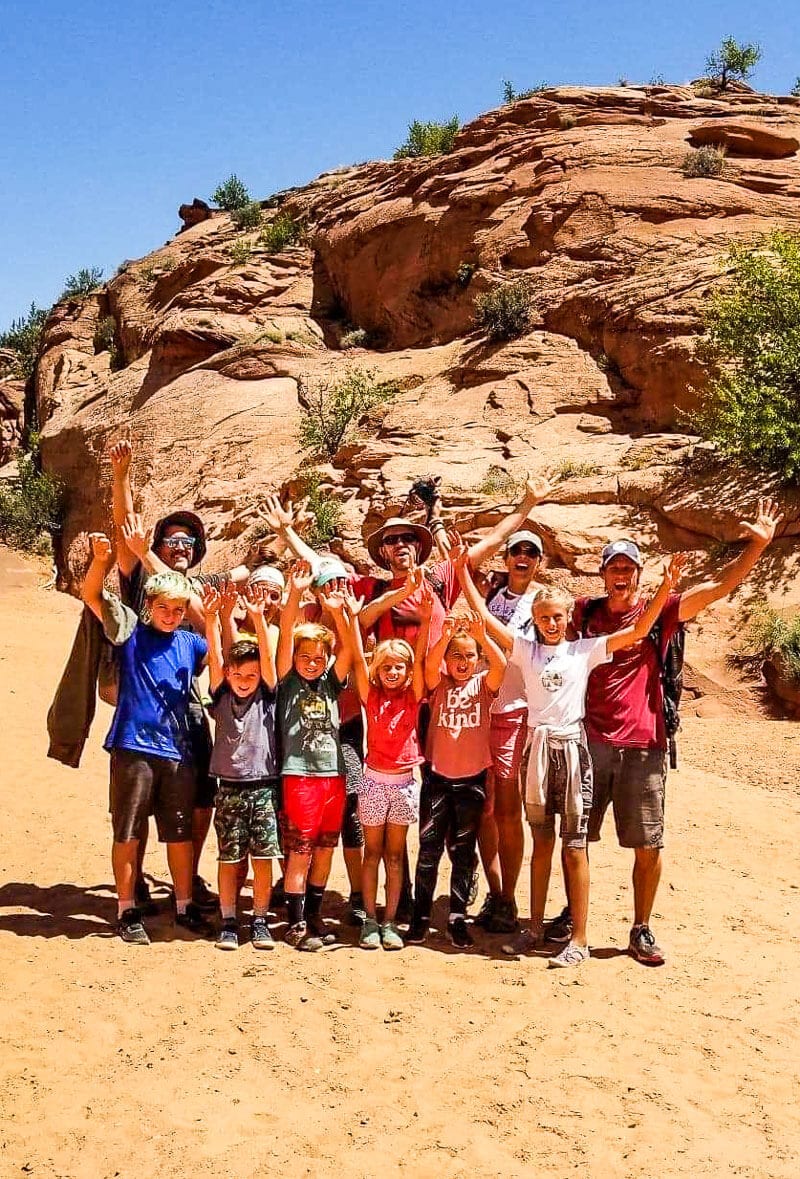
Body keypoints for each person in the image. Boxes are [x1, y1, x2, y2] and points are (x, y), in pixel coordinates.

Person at [553, 497, 783, 966]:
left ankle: (641, 927)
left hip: (645, 742)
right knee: (577, 837)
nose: (621, 575)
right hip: (590, 740)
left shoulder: (665, 611)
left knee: (647, 843)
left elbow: (718, 588)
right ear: (603, 574)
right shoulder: (584, 612)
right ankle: (573, 916)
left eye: (629, 567)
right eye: (613, 567)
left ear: (639, 574)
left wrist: (756, 548)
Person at [459, 549, 681, 966]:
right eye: (544, 618)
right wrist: (461, 572)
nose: (551, 623)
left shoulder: (586, 650)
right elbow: (484, 618)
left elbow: (640, 630)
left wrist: (666, 587)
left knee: (574, 845)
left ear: (568, 618)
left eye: (558, 617)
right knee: (541, 843)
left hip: (574, 751)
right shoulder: (525, 651)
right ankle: (536, 929)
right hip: (538, 751)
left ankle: (578, 938)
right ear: (536, 620)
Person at [80, 533, 214, 945]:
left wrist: (199, 604)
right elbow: (91, 596)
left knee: (179, 833)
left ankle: (185, 905)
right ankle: (127, 909)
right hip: (132, 747)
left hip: (176, 751)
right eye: (164, 608)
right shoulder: (131, 631)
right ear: (149, 607)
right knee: (129, 830)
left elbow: (210, 626)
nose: (172, 616)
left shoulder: (191, 643)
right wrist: (102, 561)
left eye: (178, 610)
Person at [407, 612, 507, 949]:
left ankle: (457, 916)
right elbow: (427, 665)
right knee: (429, 850)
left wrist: (481, 635)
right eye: (456, 655)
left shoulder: (482, 685)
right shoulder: (439, 686)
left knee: (463, 852)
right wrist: (444, 636)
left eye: (469, 656)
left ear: (478, 660)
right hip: (438, 779)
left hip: (472, 781)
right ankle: (420, 916)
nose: (462, 662)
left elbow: (501, 666)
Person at [345, 581, 433, 951]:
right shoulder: (370, 695)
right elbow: (355, 653)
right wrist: (351, 618)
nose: (392, 672)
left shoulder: (414, 696)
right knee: (373, 853)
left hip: (403, 784)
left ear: (407, 671)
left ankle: (391, 921)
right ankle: (369, 919)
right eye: (386, 667)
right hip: (373, 782)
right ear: (377, 670)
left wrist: (427, 621)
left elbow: (422, 657)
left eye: (399, 666)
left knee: (396, 856)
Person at [276, 561, 352, 951]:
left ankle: (315, 916)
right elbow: (287, 637)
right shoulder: (287, 684)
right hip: (299, 774)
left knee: (325, 849)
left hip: (333, 775)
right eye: (305, 657)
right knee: (301, 851)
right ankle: (295, 922)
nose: (311, 663)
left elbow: (350, 651)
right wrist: (294, 594)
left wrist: (340, 613)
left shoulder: (330, 683)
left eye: (318, 657)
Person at [475, 528, 547, 935]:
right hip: (480, 710)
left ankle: (509, 896)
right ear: (506, 558)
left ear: (538, 562)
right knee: (484, 809)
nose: (523, 558)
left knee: (506, 809)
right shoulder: (494, 596)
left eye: (531, 553)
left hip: (514, 711)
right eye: (516, 551)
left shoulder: (541, 602)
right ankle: (495, 889)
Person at [203, 581, 280, 952]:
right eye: (239, 675)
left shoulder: (267, 694)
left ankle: (261, 919)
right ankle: (230, 919)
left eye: (251, 675)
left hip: (264, 785)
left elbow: (266, 657)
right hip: (229, 787)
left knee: (263, 857)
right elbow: (217, 657)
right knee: (229, 856)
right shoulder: (220, 695)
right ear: (229, 674)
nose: (245, 681)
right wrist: (214, 616)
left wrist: (257, 617)